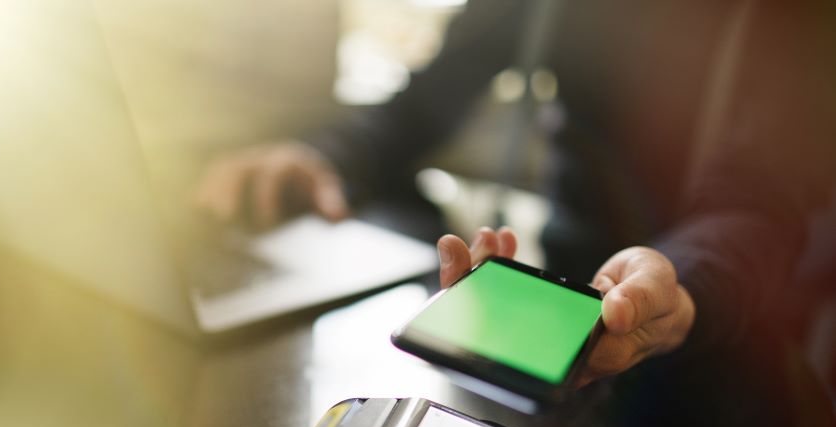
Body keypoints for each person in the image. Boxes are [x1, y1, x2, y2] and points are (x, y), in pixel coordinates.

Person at [194, 0, 835, 388]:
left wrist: (681, 290)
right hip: (573, 292)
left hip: (729, 321)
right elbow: (426, 100)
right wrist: (322, 156)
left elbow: (759, 203)